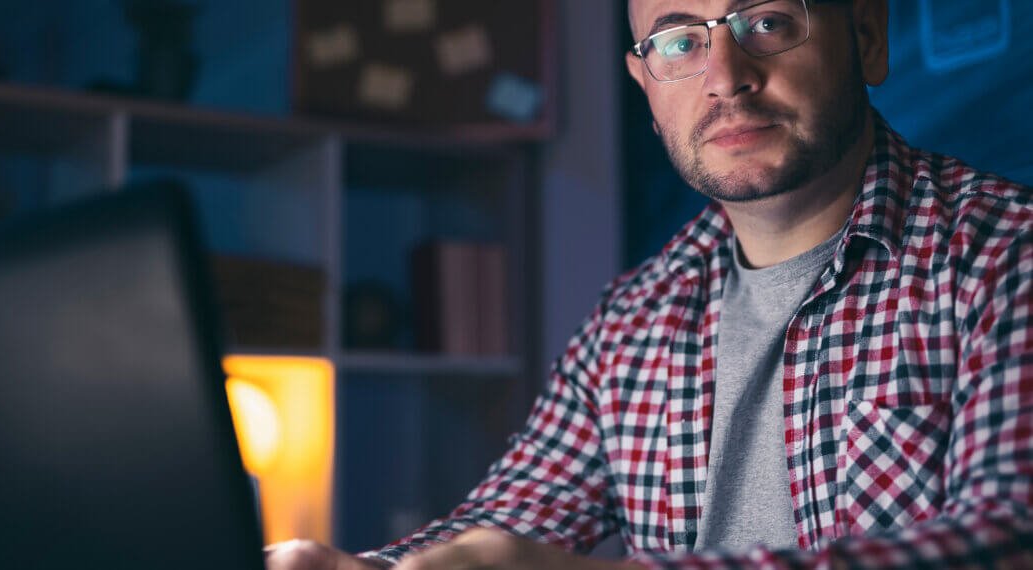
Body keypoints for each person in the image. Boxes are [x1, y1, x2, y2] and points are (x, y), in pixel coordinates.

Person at [268, 0, 1033, 567]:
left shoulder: (1005, 253)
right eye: (679, 41)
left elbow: (1007, 536)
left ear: (866, 38)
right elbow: (512, 518)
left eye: (765, 22)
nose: (725, 78)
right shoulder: (636, 315)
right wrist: (362, 569)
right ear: (645, 82)